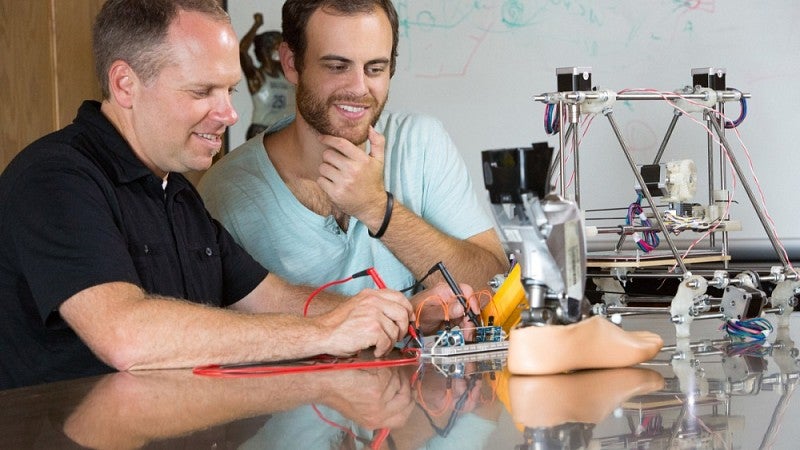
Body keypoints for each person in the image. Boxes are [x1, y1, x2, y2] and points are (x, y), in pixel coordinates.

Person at [0, 0, 429, 390]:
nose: (229, 114)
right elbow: (126, 336)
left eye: (230, 91)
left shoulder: (177, 191)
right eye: (203, 92)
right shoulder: (56, 177)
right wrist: (327, 334)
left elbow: (271, 298)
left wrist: (394, 318)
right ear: (125, 84)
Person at [198, 0, 509, 309]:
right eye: (337, 67)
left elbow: (495, 289)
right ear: (291, 63)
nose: (359, 88)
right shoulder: (225, 193)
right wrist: (407, 314)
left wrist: (376, 208)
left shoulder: (421, 142)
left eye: (375, 68)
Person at [240, 13, 296, 140]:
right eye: (279, 47)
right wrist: (256, 25)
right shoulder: (257, 76)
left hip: (285, 131)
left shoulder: (288, 74)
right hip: (262, 132)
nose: (284, 52)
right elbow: (242, 51)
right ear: (267, 50)